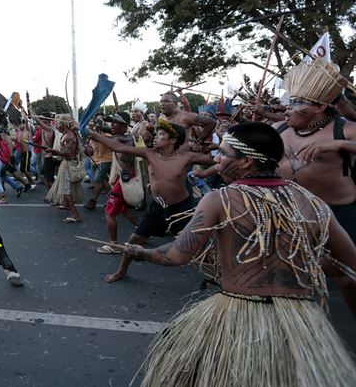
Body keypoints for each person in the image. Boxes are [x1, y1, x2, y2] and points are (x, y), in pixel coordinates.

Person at [125, 122, 356, 386]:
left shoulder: (220, 199)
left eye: (223, 153)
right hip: (300, 326)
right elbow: (350, 268)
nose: (217, 159)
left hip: (237, 316)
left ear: (246, 162)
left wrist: (140, 252)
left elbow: (175, 256)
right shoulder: (313, 203)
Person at [274, 58, 356, 313]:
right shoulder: (278, 128)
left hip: (338, 212)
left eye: (297, 102)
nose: (288, 108)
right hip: (292, 213)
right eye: (291, 101)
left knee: (347, 275)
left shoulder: (345, 129)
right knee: (289, 272)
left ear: (320, 106)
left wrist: (338, 145)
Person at [88, 119, 214, 281]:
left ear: (173, 140)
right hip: (157, 208)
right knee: (132, 242)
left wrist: (213, 154)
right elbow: (118, 147)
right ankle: (121, 271)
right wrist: (93, 135)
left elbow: (217, 162)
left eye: (161, 134)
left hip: (182, 210)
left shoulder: (187, 157)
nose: (155, 137)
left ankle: (221, 274)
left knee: (196, 246)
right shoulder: (149, 153)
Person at [92, 112, 140, 252]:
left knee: (110, 212)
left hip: (125, 179)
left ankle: (114, 245)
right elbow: (107, 133)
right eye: (111, 122)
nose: (112, 125)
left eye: (115, 122)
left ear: (124, 126)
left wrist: (88, 131)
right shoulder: (123, 137)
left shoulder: (125, 140)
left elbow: (106, 139)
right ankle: (143, 231)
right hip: (123, 177)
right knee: (123, 208)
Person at [45, 114, 83, 222]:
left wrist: (53, 151)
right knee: (67, 189)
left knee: (66, 190)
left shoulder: (69, 136)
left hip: (69, 164)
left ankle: (76, 215)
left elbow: (67, 152)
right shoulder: (68, 134)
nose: (56, 125)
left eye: (58, 123)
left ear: (64, 125)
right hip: (68, 163)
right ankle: (68, 205)